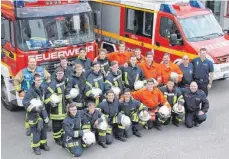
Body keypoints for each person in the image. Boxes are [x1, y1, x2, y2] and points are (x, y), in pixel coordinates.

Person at [14, 57, 50, 136]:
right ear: (28, 63)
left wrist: (46, 87)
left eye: (34, 62)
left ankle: (45, 125)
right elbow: (16, 80)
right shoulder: (23, 72)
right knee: (29, 112)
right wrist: (20, 91)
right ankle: (29, 128)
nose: (32, 63)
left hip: (40, 93)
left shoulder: (41, 70)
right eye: (31, 62)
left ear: (36, 62)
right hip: (29, 95)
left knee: (42, 109)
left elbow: (48, 78)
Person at [22, 73, 50, 155]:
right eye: (37, 80)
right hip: (34, 114)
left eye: (40, 80)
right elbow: (25, 103)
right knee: (36, 132)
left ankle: (43, 144)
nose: (39, 81)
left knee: (44, 130)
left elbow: (46, 96)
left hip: (43, 112)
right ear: (34, 80)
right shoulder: (30, 91)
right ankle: (36, 147)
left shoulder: (42, 87)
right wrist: (34, 108)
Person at [44, 67, 67, 146]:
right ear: (56, 74)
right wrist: (51, 103)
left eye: (62, 73)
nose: (60, 75)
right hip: (56, 108)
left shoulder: (64, 81)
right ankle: (57, 139)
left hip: (63, 107)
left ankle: (61, 136)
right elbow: (47, 95)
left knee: (62, 124)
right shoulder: (53, 83)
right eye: (59, 73)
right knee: (56, 125)